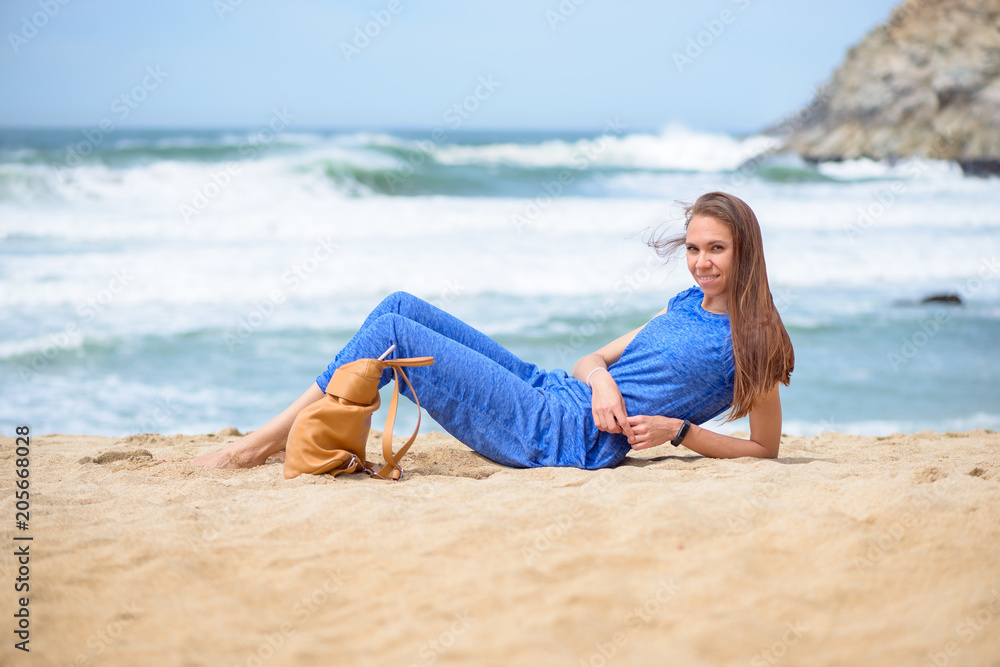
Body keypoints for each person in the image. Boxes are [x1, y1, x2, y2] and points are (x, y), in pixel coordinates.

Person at [186, 191, 794, 470]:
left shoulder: (756, 343)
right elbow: (592, 358)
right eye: (692, 247)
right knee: (399, 305)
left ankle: (259, 444)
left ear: (746, 252)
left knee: (396, 330)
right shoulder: (684, 302)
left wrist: (680, 431)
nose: (701, 262)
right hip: (555, 390)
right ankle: (299, 433)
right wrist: (604, 382)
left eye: (716, 249)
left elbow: (764, 449)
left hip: (562, 436)